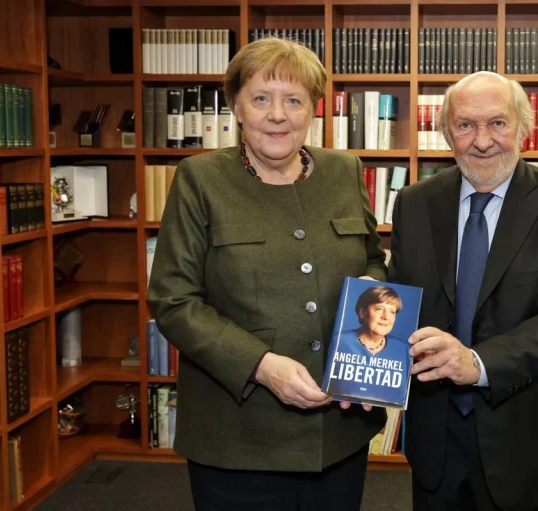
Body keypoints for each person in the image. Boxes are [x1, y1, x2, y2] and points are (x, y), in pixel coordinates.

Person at [147, 37, 387, 511]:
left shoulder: (344, 170)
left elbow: (372, 262)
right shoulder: (200, 179)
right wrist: (260, 365)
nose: (278, 115)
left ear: (314, 109)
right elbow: (174, 301)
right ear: (236, 107)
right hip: (238, 437)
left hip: (339, 431)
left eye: (293, 100)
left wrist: (370, 332)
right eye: (261, 98)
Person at [388, 71, 538, 511]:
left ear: (524, 128)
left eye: (498, 123)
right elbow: (399, 299)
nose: (483, 141)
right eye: (465, 125)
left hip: (530, 439)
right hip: (436, 436)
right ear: (447, 133)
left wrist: (478, 363)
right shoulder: (413, 202)